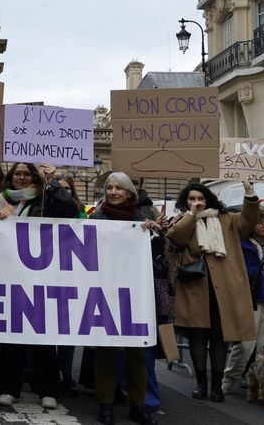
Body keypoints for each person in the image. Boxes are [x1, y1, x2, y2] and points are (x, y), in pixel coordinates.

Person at [0, 162, 78, 411]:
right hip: (10, 275)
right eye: (17, 173)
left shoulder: (44, 198)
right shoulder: (0, 200)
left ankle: (47, 390)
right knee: (11, 335)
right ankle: (9, 388)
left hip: (41, 275)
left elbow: (69, 210)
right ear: (11, 176)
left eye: (26, 174)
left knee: (43, 335)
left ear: (34, 177)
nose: (21, 177)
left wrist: (51, 182)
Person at [166, 181, 257, 403]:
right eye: (192, 199)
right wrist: (192, 215)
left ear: (208, 200)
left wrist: (249, 193)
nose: (196, 202)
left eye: (200, 198)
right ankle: (201, 385)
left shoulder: (228, 219)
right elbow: (176, 237)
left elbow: (249, 221)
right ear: (186, 202)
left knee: (218, 336)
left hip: (224, 289)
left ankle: (217, 387)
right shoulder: (182, 219)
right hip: (195, 288)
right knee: (198, 335)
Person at [88, 172, 159, 425]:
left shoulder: (144, 217)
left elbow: (159, 253)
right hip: (105, 288)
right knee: (105, 349)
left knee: (137, 351)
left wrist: (154, 234)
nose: (113, 192)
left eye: (119, 188)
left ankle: (137, 405)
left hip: (136, 291)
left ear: (130, 192)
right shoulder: (97, 217)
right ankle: (105, 404)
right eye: (109, 187)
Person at [221, 200, 264, 394]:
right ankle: (227, 380)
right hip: (250, 303)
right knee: (244, 346)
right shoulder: (240, 248)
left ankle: (262, 387)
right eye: (260, 222)